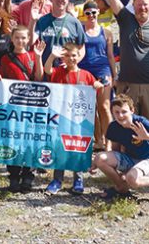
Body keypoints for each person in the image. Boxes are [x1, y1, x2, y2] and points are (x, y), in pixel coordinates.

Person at [0, 27, 45, 193]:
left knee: (29, 139)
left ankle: (28, 174)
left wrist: (38, 57)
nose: (20, 41)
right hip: (12, 106)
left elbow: (39, 77)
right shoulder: (5, 58)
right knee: (12, 138)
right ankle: (13, 175)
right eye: (17, 38)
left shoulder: (31, 56)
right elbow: (1, 76)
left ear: (28, 39)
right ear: (12, 39)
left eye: (23, 38)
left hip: (30, 105)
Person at [45, 42, 103, 194]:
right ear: (63, 58)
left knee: (78, 147)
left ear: (79, 57)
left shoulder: (86, 75)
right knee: (60, 147)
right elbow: (47, 70)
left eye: (74, 56)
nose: (71, 59)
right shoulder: (59, 72)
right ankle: (57, 180)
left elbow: (96, 86)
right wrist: (52, 56)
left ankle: (78, 179)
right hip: (61, 118)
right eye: (68, 56)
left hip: (80, 121)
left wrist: (98, 85)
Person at [95, 94, 149, 203]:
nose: (120, 115)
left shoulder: (140, 122)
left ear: (132, 110)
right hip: (131, 158)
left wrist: (147, 136)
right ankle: (122, 188)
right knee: (100, 158)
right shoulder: (113, 127)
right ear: (112, 112)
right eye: (116, 112)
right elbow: (115, 151)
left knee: (132, 178)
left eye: (124, 112)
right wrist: (96, 163)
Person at [77, 0, 116, 149]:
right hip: (85, 70)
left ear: (98, 12)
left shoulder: (106, 32)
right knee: (90, 108)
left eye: (93, 12)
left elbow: (111, 55)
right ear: (84, 14)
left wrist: (115, 75)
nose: (91, 16)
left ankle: (110, 141)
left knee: (104, 106)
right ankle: (98, 139)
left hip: (102, 69)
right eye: (88, 13)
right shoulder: (80, 30)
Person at [33, 0, 86, 67]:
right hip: (45, 69)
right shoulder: (42, 21)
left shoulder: (75, 22)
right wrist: (32, 20)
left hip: (66, 70)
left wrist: (72, 62)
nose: (60, 0)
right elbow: (30, 41)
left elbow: (81, 48)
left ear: (68, 0)